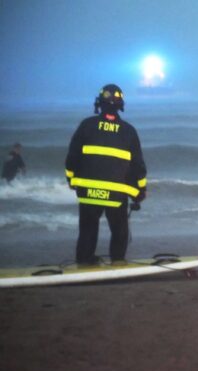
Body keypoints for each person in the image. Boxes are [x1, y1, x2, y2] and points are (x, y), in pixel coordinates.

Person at [65, 84, 147, 266]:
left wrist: (71, 178)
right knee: (119, 230)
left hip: (89, 191)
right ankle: (117, 261)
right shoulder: (129, 131)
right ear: (120, 105)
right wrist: (140, 190)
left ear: (99, 104)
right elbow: (137, 165)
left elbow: (72, 156)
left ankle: (84, 261)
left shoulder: (86, 125)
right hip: (116, 194)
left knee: (87, 229)